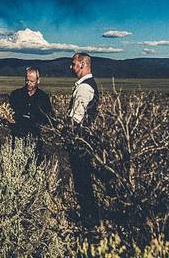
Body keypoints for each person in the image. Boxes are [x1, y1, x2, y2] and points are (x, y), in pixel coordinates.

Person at [67, 52, 100, 229]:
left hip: (80, 142)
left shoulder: (84, 88)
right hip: (84, 141)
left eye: (73, 64)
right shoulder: (87, 85)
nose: (71, 67)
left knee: (82, 182)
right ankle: (89, 218)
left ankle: (89, 221)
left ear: (82, 64)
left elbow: (76, 119)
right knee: (83, 181)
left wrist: (67, 136)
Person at [8, 66, 53, 158]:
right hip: (17, 135)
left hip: (35, 137)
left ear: (38, 81)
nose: (29, 83)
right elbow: (10, 113)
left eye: (32, 81)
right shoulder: (16, 95)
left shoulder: (43, 97)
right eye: (27, 80)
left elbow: (48, 118)